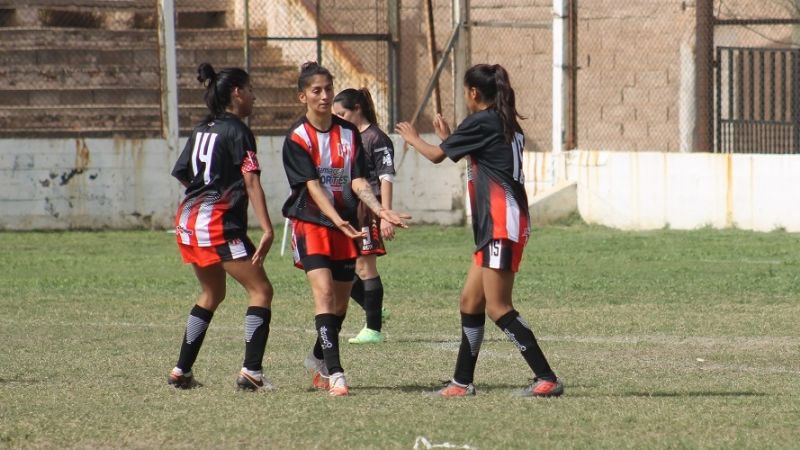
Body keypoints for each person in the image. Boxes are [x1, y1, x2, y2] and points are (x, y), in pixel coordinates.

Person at [395, 63, 563, 397]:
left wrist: (414, 139)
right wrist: (449, 137)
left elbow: (436, 157)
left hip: (501, 222)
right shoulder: (503, 122)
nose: (464, 98)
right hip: (500, 223)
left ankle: (547, 378)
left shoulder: (482, 121)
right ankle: (461, 383)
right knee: (470, 301)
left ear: (474, 93)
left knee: (498, 307)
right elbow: (476, 155)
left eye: (465, 92)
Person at [282, 62, 410, 396]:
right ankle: (336, 373)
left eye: (328, 88)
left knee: (339, 304)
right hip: (311, 222)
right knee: (323, 293)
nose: (324, 96)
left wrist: (381, 210)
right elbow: (310, 185)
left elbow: (357, 180)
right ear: (303, 96)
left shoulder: (349, 133)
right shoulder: (297, 137)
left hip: (346, 225)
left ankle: (317, 357)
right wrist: (335, 219)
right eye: (316, 91)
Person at [168, 63, 276, 392]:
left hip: (189, 221)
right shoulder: (238, 131)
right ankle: (252, 373)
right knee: (261, 291)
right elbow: (252, 182)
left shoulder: (202, 128)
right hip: (218, 224)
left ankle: (181, 371)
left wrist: (208, 190)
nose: (254, 97)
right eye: (251, 90)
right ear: (236, 92)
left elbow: (183, 172)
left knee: (212, 292)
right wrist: (268, 229)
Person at [332, 87, 395, 344]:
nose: (338, 118)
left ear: (357, 108)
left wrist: (386, 214)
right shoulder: (347, 137)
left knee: (366, 266)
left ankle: (373, 328)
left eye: (342, 113)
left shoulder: (376, 138)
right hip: (349, 208)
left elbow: (386, 176)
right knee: (344, 265)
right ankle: (375, 309)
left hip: (369, 207)